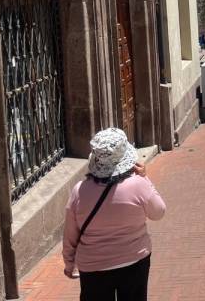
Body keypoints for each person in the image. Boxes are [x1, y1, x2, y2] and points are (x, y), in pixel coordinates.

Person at [62, 128, 166, 301]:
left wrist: (69, 263)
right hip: (134, 259)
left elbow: (70, 235)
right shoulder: (138, 185)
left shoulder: (79, 191)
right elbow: (159, 212)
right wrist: (145, 178)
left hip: (93, 266)